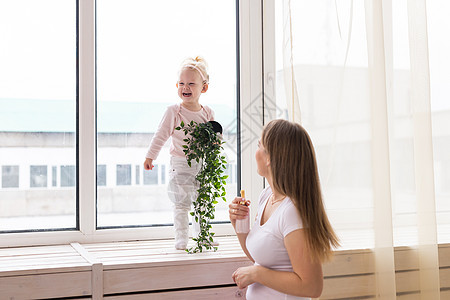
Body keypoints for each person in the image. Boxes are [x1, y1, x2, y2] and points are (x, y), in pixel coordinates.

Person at [229, 119, 340, 299]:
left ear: (270, 158)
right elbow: (264, 257)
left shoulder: (292, 212)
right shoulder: (267, 196)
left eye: (259, 145)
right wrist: (239, 226)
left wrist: (256, 274)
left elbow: (312, 287)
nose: (255, 152)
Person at [144, 56, 214, 250]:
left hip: (203, 164)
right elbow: (161, 135)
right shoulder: (174, 111)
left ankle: (203, 236)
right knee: (181, 202)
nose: (186, 87)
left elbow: (215, 139)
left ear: (204, 88)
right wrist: (151, 156)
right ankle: (181, 237)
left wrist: (216, 141)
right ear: (177, 86)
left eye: (192, 83)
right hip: (181, 163)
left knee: (203, 202)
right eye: (182, 83)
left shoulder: (207, 113)